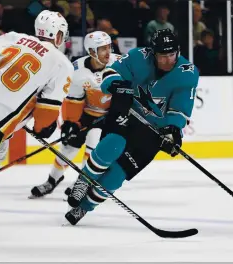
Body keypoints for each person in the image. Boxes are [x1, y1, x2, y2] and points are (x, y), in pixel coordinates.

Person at [64, 29, 199, 225]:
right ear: (153, 53)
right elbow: (111, 72)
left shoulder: (187, 73)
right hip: (127, 113)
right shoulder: (138, 56)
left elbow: (179, 110)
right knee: (112, 145)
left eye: (172, 55)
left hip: (153, 131)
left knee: (117, 176)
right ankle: (83, 180)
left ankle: (84, 208)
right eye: (163, 56)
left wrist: (172, 131)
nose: (168, 60)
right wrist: (114, 83)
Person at [0, 10, 74, 230]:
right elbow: (46, 115)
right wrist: (44, 128)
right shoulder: (62, 64)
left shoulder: (15, 37)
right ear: (58, 36)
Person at [29, 31, 121, 198]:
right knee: (68, 147)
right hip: (88, 113)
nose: (108, 53)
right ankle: (52, 180)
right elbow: (74, 101)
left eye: (109, 47)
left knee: (94, 142)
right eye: (102, 49)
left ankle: (82, 183)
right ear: (92, 52)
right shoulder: (77, 70)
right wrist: (72, 123)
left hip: (112, 116)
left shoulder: (120, 65)